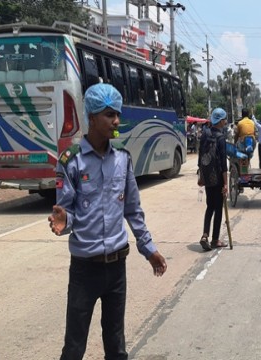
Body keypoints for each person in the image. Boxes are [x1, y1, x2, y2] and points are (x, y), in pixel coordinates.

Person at [47, 83, 167, 360]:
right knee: (74, 346)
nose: (116, 121)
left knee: (116, 345)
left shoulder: (123, 158)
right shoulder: (71, 161)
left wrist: (149, 250)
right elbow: (65, 213)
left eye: (117, 114)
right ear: (91, 117)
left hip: (116, 268)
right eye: (109, 115)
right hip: (84, 270)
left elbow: (133, 211)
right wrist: (65, 222)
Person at [198, 108, 229, 251]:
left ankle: (205, 235)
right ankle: (215, 240)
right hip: (217, 178)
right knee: (218, 209)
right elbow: (223, 164)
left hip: (207, 177)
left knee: (210, 206)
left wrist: (201, 176)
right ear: (221, 121)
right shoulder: (221, 138)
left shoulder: (205, 134)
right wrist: (226, 183)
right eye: (224, 119)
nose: (225, 122)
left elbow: (200, 157)